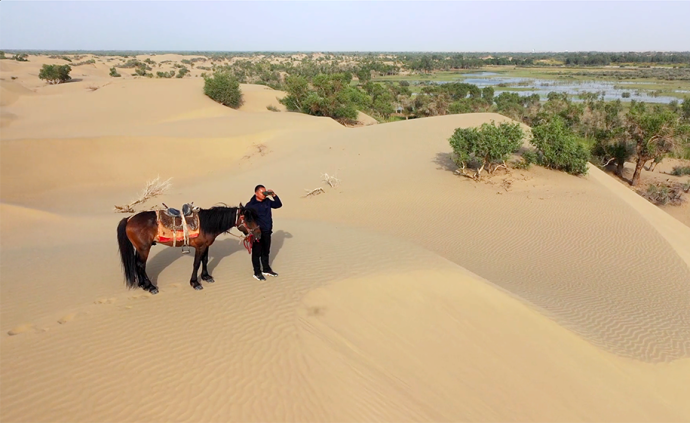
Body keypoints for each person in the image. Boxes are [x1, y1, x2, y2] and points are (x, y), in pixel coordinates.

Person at [246, 184, 282, 281]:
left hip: (267, 231)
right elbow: (246, 220)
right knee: (256, 253)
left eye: (265, 192)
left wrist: (274, 195)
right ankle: (257, 272)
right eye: (262, 192)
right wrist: (249, 232)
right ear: (256, 193)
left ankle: (266, 269)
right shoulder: (250, 205)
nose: (264, 194)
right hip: (257, 233)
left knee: (266, 251)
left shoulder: (267, 201)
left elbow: (278, 205)